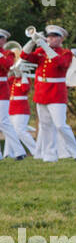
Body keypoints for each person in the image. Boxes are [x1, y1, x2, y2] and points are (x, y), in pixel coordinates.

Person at [21, 26, 76, 162]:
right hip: (42, 91)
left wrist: (44, 45)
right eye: (49, 36)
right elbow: (24, 56)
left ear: (61, 39)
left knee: (60, 125)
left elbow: (60, 63)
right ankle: (49, 155)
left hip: (56, 93)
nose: (50, 39)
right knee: (45, 125)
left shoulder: (66, 53)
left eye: (54, 36)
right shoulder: (41, 51)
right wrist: (33, 41)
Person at [0, 30, 28, 160]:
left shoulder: (8, 53)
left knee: (4, 122)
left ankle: (19, 151)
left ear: (4, 41)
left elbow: (7, 65)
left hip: (1, 91)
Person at [7, 67, 37, 156]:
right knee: (10, 131)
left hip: (21, 109)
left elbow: (25, 89)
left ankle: (36, 151)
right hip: (11, 108)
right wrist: (9, 72)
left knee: (20, 131)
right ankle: (9, 153)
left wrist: (23, 75)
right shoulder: (13, 79)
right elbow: (5, 84)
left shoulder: (26, 79)